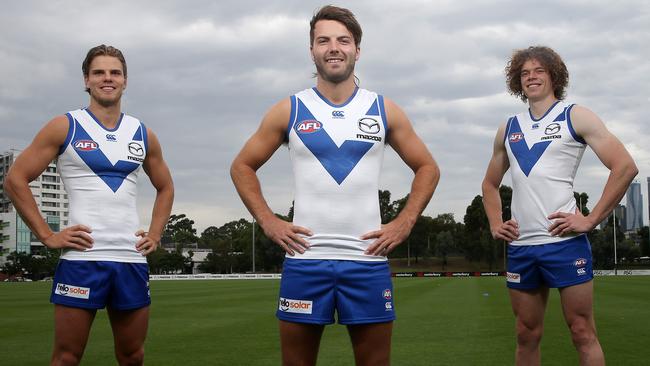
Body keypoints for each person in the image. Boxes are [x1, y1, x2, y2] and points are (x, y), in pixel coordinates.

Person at [231, 5, 439, 366]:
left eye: (343, 40)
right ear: (311, 49)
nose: (333, 47)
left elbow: (428, 168)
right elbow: (242, 166)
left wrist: (404, 222)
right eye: (323, 40)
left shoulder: (383, 109)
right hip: (305, 261)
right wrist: (269, 221)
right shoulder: (290, 109)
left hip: (367, 261)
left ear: (357, 50)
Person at [3, 44, 174, 366]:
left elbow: (165, 187)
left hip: (130, 259)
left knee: (133, 356)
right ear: (86, 80)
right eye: (99, 72)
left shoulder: (142, 133)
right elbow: (15, 180)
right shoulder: (64, 126)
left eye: (115, 72)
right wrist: (47, 235)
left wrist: (155, 232)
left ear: (125, 80)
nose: (107, 78)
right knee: (67, 357)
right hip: (83, 260)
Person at [482, 45, 637, 366]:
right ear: (517, 81)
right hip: (522, 247)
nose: (531, 77)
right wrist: (496, 223)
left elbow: (624, 166)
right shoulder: (508, 127)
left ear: (554, 76)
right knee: (526, 333)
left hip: (564, 243)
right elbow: (489, 184)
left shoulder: (575, 115)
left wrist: (591, 219)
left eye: (539, 71)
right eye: (524, 73)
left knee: (582, 331)